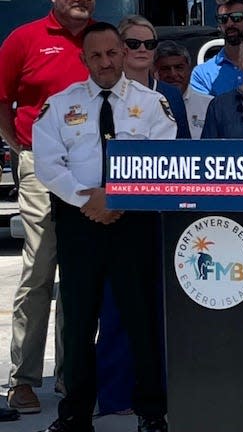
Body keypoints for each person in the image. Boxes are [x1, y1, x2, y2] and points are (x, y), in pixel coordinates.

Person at [33, 21, 175, 432]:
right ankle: (75, 414)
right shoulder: (61, 105)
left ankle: (152, 412)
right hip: (81, 222)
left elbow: (163, 157)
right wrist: (87, 199)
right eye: (95, 55)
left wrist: (118, 196)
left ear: (124, 52)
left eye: (113, 52)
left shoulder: (152, 105)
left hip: (134, 222)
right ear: (84, 59)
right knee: (78, 321)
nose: (106, 62)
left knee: (141, 319)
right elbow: (47, 162)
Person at [0, 0, 97, 413]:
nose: (81, 0)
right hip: (40, 166)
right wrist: (21, 148)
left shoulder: (101, 41)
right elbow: (2, 101)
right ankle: (22, 379)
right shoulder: (23, 40)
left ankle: (69, 374)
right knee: (40, 271)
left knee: (79, 275)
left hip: (89, 170)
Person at [118, 15, 190, 138]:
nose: (142, 49)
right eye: (133, 44)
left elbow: (183, 146)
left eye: (149, 44)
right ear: (119, 47)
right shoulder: (108, 92)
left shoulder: (171, 94)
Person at [190, 0, 243, 97]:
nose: (230, 23)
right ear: (219, 25)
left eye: (237, 17)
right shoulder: (203, 74)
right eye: (223, 19)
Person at [154, 40, 213, 139]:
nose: (173, 74)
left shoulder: (209, 105)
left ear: (189, 69)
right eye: (165, 69)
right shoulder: (147, 103)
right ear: (155, 72)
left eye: (179, 68)